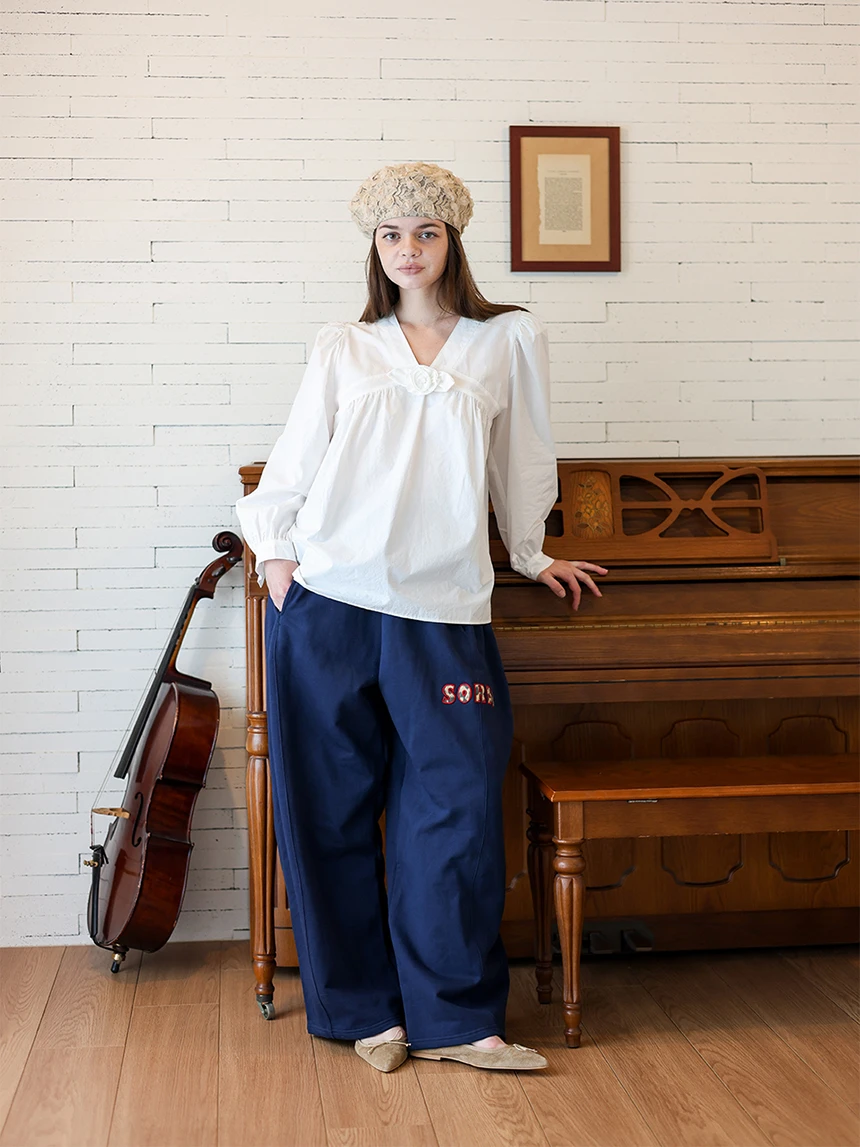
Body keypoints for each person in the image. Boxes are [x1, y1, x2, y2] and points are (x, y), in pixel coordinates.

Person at [235, 162, 607, 1074]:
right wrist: (278, 563)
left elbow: (523, 458)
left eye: (426, 232)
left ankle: (458, 1020)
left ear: (452, 241)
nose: (408, 248)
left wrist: (531, 553)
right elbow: (293, 462)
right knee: (328, 810)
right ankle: (365, 1011)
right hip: (329, 603)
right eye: (392, 234)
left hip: (445, 608)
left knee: (458, 806)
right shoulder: (344, 345)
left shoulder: (505, 339)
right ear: (375, 246)